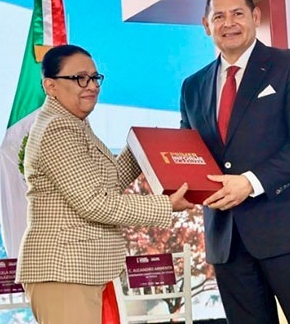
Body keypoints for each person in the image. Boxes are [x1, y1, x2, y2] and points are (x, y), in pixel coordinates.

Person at [180, 0, 290, 323]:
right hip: (226, 237)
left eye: (237, 13)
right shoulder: (192, 86)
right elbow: (189, 152)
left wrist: (250, 182)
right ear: (206, 25)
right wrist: (179, 186)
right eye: (218, 16)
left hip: (288, 228)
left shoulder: (289, 64)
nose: (228, 23)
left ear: (255, 17)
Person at [15, 44, 194, 323]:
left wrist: (141, 149)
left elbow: (104, 185)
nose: (92, 86)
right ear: (50, 86)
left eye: (95, 78)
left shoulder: (74, 123)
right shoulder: (58, 128)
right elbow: (93, 202)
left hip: (81, 270)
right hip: (64, 269)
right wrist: (165, 205)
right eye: (80, 78)